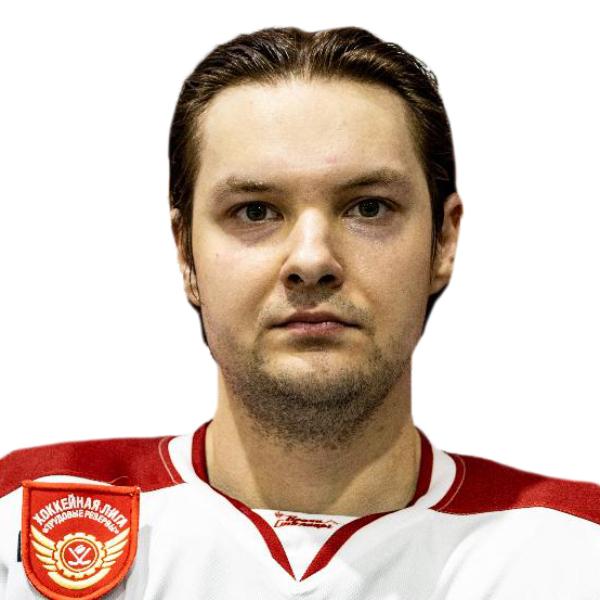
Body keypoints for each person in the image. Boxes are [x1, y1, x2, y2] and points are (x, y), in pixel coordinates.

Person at [1, 25, 599, 600]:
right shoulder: (17, 522)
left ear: (443, 241)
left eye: (368, 207)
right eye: (255, 211)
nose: (311, 260)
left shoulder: (576, 553)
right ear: (186, 252)